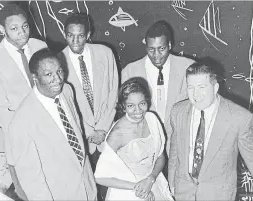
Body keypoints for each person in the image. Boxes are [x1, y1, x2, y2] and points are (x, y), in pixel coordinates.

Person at [5, 48, 97, 200]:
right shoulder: (21, 123)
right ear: (34, 77)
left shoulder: (66, 90)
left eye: (60, 71)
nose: (58, 79)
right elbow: (32, 181)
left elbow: (76, 133)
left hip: (87, 186)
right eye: (48, 74)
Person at [0, 4, 47, 200]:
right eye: (14, 29)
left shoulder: (40, 46)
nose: (22, 33)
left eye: (25, 26)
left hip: (51, 132)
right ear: (2, 30)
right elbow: (2, 114)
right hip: (22, 141)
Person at [168, 62, 253, 200]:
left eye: (202, 87)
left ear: (215, 88)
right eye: (191, 87)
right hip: (183, 193)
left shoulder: (239, 118)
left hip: (218, 195)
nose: (196, 94)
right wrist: (172, 183)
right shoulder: (178, 111)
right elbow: (175, 151)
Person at [121, 20, 195, 154]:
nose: (156, 56)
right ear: (146, 47)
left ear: (170, 45)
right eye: (151, 49)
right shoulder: (130, 72)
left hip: (180, 145)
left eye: (162, 49)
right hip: (145, 146)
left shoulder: (188, 68)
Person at [94, 77, 173, 201]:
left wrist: (150, 179)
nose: (138, 111)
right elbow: (100, 177)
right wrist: (138, 187)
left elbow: (161, 156)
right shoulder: (117, 134)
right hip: (128, 192)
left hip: (153, 183)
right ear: (123, 107)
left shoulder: (152, 119)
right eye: (131, 106)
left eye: (142, 103)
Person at [59, 13, 118, 169]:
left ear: (88, 35)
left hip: (108, 132)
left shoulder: (105, 53)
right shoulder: (58, 62)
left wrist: (102, 129)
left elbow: (113, 93)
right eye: (71, 36)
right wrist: (89, 132)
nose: (75, 41)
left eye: (80, 36)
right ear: (65, 35)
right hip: (81, 138)